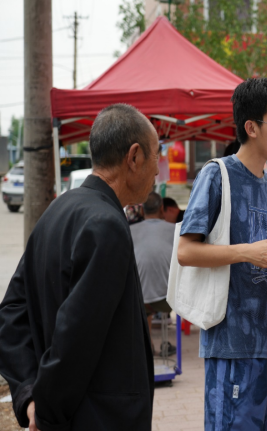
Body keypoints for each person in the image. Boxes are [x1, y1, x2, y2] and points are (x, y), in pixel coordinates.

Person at [177, 77, 267, 430]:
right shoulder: (217, 175)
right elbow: (186, 251)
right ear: (251, 127)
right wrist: (246, 251)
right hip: (231, 343)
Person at [0, 103, 159, 431]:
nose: (158, 170)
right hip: (97, 417)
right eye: (157, 156)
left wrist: (29, 395)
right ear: (134, 156)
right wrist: (44, 410)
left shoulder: (56, 210)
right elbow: (76, 339)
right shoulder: (106, 225)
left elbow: (11, 313)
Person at [131, 192, 176, 355]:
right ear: (162, 209)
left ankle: (146, 345)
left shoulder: (129, 230)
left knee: (141, 297)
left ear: (142, 210)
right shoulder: (175, 230)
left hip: (139, 300)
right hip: (169, 301)